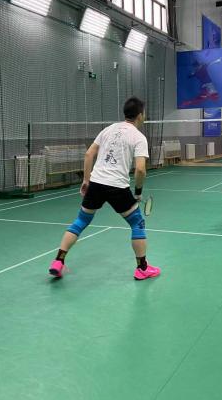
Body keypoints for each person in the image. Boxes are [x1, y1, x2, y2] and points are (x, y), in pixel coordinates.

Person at [48, 97, 160, 281]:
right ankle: (142, 268)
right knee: (137, 222)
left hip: (96, 183)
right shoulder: (139, 137)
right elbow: (140, 169)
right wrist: (138, 192)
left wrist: (86, 180)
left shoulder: (108, 129)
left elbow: (88, 154)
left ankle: (58, 261)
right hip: (117, 187)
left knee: (81, 221)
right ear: (140, 115)